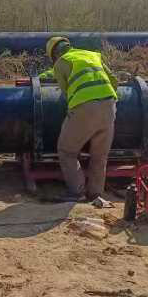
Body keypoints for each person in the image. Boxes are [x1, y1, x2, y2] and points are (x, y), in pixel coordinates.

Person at [45, 36, 119, 202]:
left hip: (85, 107)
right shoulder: (92, 55)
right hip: (110, 106)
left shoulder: (60, 63)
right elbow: (114, 81)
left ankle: (77, 192)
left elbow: (66, 92)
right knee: (99, 156)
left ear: (54, 54)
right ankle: (95, 194)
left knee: (67, 151)